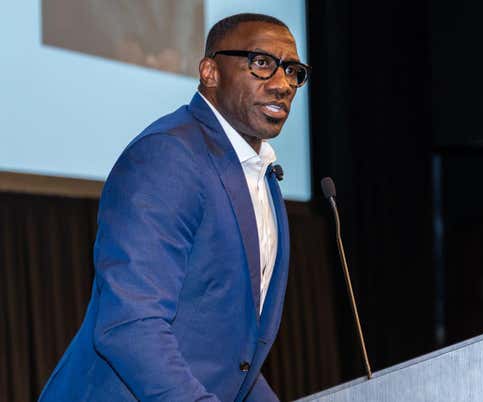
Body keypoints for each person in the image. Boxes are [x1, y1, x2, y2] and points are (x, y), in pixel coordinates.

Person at [38, 13, 310, 402]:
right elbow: (131, 325)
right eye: (262, 63)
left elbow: (232, 362)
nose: (283, 84)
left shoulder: (262, 175)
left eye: (293, 70)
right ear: (210, 72)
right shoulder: (169, 156)